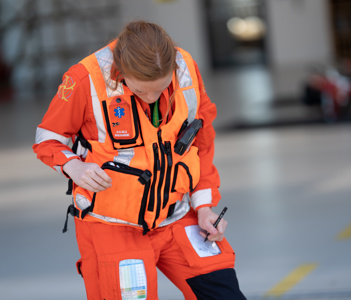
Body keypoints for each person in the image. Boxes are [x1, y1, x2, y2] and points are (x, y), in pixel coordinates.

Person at [33, 20, 246, 300]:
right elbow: (47, 139)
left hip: (179, 216)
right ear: (121, 73)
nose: (152, 97)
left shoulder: (186, 69)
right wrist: (74, 166)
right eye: (142, 91)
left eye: (160, 88)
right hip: (114, 226)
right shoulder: (84, 78)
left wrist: (204, 207)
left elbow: (201, 143)